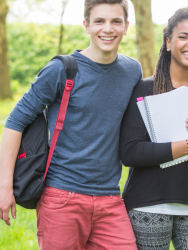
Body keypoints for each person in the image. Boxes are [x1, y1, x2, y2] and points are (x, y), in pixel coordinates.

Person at [0, 0, 141, 249]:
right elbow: (15, 122)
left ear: (126, 26)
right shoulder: (61, 70)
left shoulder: (132, 71)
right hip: (61, 197)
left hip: (110, 198)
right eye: (99, 21)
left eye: (115, 21)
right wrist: (4, 187)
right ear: (86, 25)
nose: (107, 29)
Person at [119, 6, 188, 250]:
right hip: (147, 205)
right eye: (183, 36)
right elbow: (130, 152)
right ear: (168, 42)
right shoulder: (145, 89)